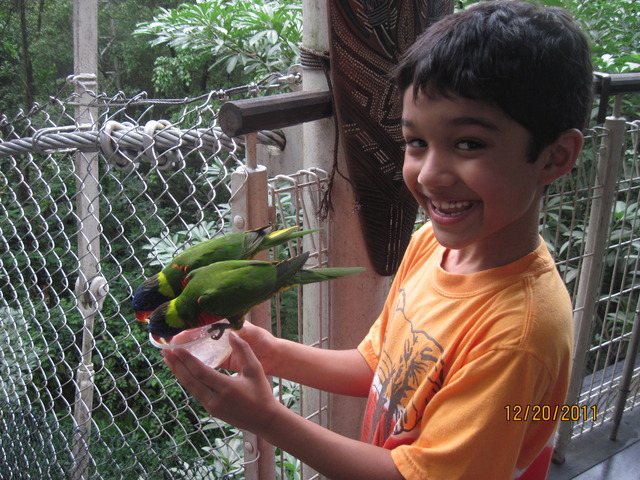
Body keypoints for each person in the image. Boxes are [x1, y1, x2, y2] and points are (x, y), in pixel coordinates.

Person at [161, 1, 594, 479]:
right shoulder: (432, 245)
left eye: (468, 143)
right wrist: (270, 352)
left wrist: (268, 420)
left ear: (554, 157)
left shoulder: (517, 336)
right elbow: (380, 367)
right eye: (416, 142)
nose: (428, 175)